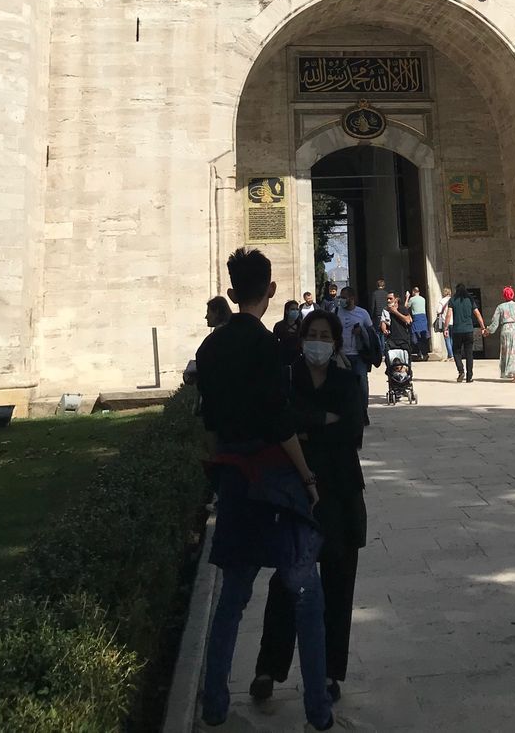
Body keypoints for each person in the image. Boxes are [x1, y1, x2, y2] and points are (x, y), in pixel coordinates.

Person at [194, 248, 332, 731]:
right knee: (305, 594)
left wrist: (219, 469)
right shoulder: (268, 347)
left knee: (232, 599)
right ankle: (318, 709)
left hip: (233, 479)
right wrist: (309, 478)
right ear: (270, 292)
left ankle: (214, 703)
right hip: (274, 482)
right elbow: (279, 422)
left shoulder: (209, 350)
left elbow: (210, 422)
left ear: (231, 294)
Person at [251, 311, 366, 709]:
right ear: (301, 339)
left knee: (338, 582)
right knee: (286, 580)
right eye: (311, 334)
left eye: (325, 335)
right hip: (296, 492)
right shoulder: (287, 378)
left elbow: (352, 430)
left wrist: (304, 429)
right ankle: (268, 667)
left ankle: (331, 672)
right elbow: (278, 423)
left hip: (341, 491)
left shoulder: (348, 380)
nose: (318, 341)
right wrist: (322, 420)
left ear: (335, 342)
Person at [336, 288, 376, 411]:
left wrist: (361, 331)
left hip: (358, 354)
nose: (341, 300)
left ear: (351, 298)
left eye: (344, 297)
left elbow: (371, 333)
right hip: (342, 354)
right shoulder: (336, 312)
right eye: (340, 297)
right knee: (342, 385)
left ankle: (363, 410)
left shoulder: (362, 313)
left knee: (362, 384)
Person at [484, 285, 515, 382]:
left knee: (510, 352)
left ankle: (514, 375)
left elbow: (495, 322)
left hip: (506, 329)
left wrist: (488, 331)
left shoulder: (500, 307)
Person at [446, 284, 486, 383]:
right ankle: (469, 376)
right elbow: (477, 314)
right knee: (469, 353)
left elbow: (448, 314)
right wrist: (483, 327)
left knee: (456, 352)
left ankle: (461, 371)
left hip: (457, 330)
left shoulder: (452, 300)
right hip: (468, 330)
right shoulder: (470, 299)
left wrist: (445, 328)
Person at [272, 299, 303, 366]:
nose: (295, 311)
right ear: (286, 311)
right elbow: (274, 342)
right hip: (283, 358)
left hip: (298, 359)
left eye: (297, 309)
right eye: (292, 309)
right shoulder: (279, 326)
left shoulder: (301, 326)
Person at [382, 291, 413, 358]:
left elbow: (408, 320)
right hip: (391, 340)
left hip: (403, 340)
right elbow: (383, 322)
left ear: (396, 299)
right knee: (390, 361)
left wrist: (395, 312)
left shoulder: (402, 309)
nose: (388, 300)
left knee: (406, 362)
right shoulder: (385, 310)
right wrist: (384, 329)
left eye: (390, 298)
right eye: (387, 299)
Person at [406, 285, 430, 360]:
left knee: (416, 336)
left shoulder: (412, 299)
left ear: (413, 292)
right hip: (423, 317)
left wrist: (407, 297)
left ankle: (419, 353)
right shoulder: (423, 299)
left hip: (416, 318)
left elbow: (405, 306)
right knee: (423, 336)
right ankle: (424, 353)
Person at [435, 285, 454, 359]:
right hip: (453, 321)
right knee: (452, 338)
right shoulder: (453, 300)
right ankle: (452, 353)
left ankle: (450, 355)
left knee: (447, 338)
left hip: (444, 321)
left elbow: (438, 311)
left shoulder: (442, 301)